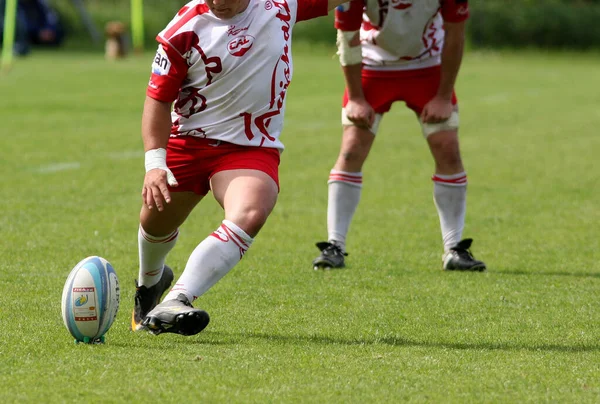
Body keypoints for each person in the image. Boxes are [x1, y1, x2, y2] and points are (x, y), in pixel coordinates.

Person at [131, 0, 350, 336]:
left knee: (251, 209)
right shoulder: (182, 30)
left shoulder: (280, 5)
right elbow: (157, 100)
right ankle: (150, 283)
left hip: (249, 148)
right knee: (155, 220)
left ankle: (177, 299)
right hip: (188, 141)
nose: (220, 2)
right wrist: (155, 164)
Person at [312, 0, 486, 271]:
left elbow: (455, 34)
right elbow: (347, 34)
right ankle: (335, 246)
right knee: (351, 149)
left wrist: (442, 96)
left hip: (428, 66)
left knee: (448, 149)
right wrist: (356, 97)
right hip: (372, 66)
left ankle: (454, 248)